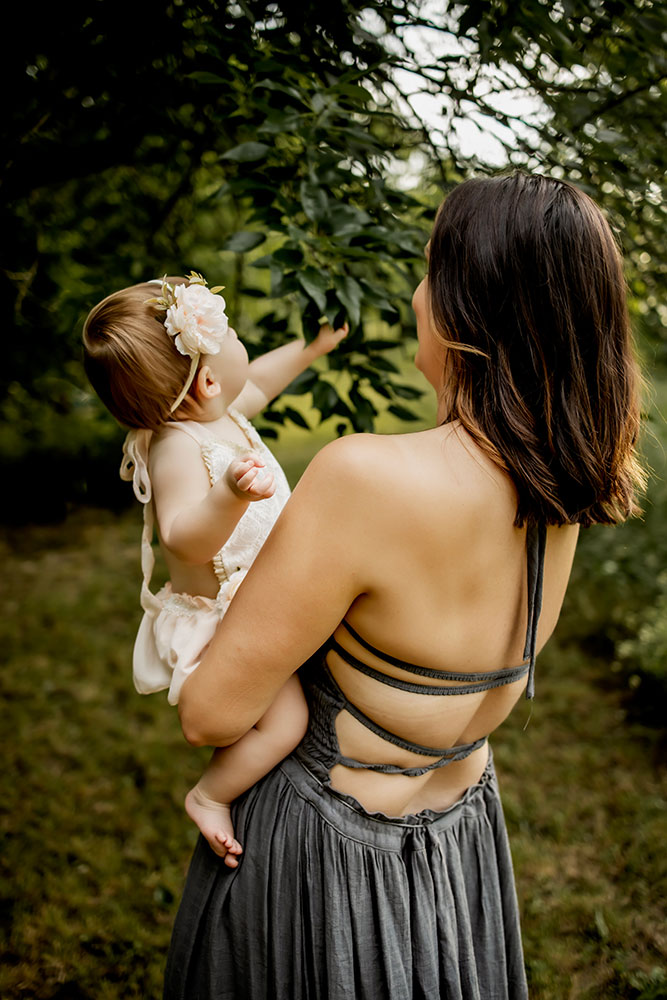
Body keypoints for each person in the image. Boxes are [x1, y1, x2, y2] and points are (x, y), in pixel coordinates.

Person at [164, 173, 644, 1000]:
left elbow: (209, 712)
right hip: (456, 847)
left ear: (464, 311)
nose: (416, 295)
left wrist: (200, 573)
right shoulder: (566, 485)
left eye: (428, 272)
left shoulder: (366, 477)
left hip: (325, 863)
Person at [82, 273, 348, 866]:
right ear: (205, 379)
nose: (238, 344)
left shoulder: (216, 414)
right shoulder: (177, 445)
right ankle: (210, 794)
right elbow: (181, 538)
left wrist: (313, 347)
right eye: (227, 332)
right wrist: (228, 494)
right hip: (228, 621)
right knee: (287, 723)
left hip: (263, 600)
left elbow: (257, 383)